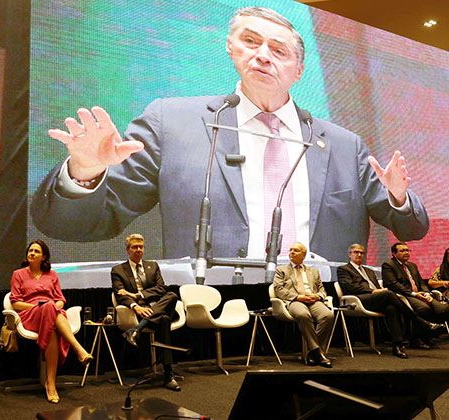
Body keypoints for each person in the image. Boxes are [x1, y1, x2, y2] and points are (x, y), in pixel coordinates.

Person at [31, 6, 429, 264]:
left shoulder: (344, 144)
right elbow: (74, 226)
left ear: (298, 70)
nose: (263, 55)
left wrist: (398, 197)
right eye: (251, 42)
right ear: (231, 50)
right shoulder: (172, 122)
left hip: (322, 316)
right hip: (213, 324)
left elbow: (411, 230)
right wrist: (83, 171)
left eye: (279, 50)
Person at [9, 240, 93, 404]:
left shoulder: (52, 275)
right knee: (48, 308)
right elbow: (15, 303)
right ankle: (78, 350)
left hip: (51, 314)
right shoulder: (18, 274)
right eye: (30, 250)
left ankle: (51, 383)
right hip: (30, 314)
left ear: (44, 256)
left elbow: (60, 300)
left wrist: (52, 306)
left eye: (36, 251)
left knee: (52, 320)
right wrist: (40, 306)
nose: (32, 253)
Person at [337, 244, 442, 358]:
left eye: (361, 253)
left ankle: (397, 346)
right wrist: (372, 291)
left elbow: (377, 287)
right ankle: (419, 321)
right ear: (349, 254)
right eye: (356, 252)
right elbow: (349, 287)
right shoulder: (343, 269)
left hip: (375, 299)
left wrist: (378, 291)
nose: (359, 255)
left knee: (391, 308)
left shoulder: (369, 271)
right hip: (357, 299)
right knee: (388, 294)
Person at [111, 234, 181, 391]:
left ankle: (136, 330)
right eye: (135, 247)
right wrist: (136, 306)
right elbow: (120, 295)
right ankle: (169, 375)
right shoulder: (118, 270)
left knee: (172, 295)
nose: (138, 250)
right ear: (128, 249)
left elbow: (161, 288)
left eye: (141, 247)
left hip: (157, 305)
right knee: (163, 320)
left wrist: (137, 295)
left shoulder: (153, 266)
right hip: (137, 311)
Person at [274, 242, 333, 367]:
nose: (292, 252)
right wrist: (297, 297)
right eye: (290, 250)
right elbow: (278, 289)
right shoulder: (281, 270)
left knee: (328, 315)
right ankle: (318, 352)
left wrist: (318, 296)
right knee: (303, 315)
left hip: (313, 299)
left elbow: (322, 289)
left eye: (296, 250)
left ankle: (313, 352)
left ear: (304, 255)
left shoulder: (314, 271)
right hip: (295, 300)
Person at [382, 242, 449, 348]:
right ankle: (416, 339)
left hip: (420, 294)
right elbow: (393, 285)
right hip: (405, 296)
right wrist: (414, 294)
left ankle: (428, 335)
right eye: (402, 251)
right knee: (424, 309)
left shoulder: (412, 265)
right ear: (394, 253)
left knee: (443, 309)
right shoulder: (389, 265)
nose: (406, 253)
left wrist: (427, 293)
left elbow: (421, 283)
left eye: (408, 250)